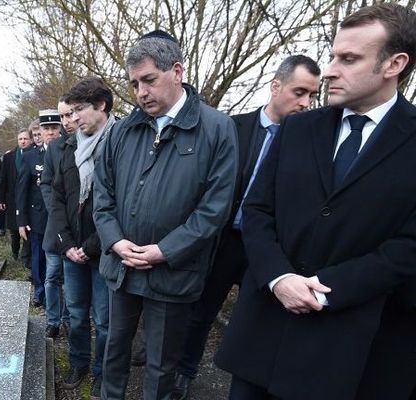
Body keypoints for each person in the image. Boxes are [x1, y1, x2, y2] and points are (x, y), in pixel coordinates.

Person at [216, 4, 416, 399]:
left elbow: (410, 245)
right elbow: (257, 210)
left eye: (349, 59)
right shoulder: (298, 128)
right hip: (264, 338)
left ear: (394, 63)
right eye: (332, 55)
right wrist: (279, 277)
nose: (330, 70)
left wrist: (329, 288)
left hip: (353, 353)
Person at [94, 30, 238, 399]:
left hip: (173, 274)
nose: (141, 92)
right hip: (122, 268)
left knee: (161, 366)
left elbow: (214, 209)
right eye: (134, 83)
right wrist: (115, 241)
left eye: (149, 80)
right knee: (113, 351)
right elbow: (102, 194)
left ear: (176, 71)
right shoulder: (123, 130)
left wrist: (166, 250)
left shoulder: (218, 129)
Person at [173, 55, 321, 399]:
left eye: (312, 95)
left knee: (256, 320)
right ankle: (184, 369)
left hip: (268, 248)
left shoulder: (308, 143)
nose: (306, 103)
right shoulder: (232, 127)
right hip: (223, 240)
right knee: (201, 310)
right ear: (275, 86)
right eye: (300, 92)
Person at [53, 78, 115, 399]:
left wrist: (88, 247)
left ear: (101, 105)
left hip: (104, 251)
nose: (73, 118)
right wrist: (66, 244)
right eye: (72, 111)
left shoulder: (119, 142)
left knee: (104, 321)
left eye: (79, 111)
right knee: (76, 315)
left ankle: (101, 374)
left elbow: (121, 204)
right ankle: (79, 364)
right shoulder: (69, 146)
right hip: (71, 250)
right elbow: (59, 197)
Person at [41, 97, 78, 338]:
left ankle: (68, 318)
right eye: (61, 116)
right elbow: (46, 184)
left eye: (68, 115)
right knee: (53, 276)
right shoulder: (54, 149)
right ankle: (53, 320)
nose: (65, 122)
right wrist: (55, 211)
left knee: (71, 280)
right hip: (56, 226)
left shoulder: (80, 142)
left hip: (78, 228)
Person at [17, 109, 61, 307]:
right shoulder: (30, 156)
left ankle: (57, 295)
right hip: (38, 216)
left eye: (54, 128)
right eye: (46, 129)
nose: (50, 133)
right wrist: (21, 220)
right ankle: (40, 290)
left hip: (63, 216)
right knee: (38, 256)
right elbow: (22, 190)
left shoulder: (70, 150)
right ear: (40, 132)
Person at [0, 127, 32, 263]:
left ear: (30, 140)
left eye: (25, 139)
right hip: (12, 199)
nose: (23, 141)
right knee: (13, 230)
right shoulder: (9, 157)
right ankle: (15, 253)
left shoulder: (35, 154)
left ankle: (26, 255)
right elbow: (3, 179)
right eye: (20, 139)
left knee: (27, 229)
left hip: (28, 199)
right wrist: (0, 198)